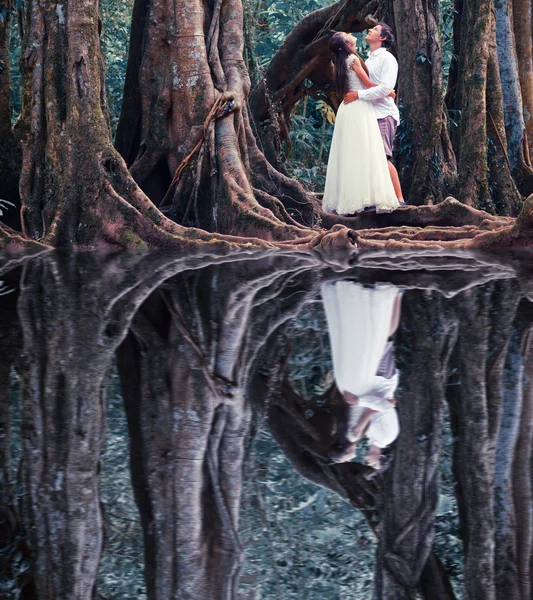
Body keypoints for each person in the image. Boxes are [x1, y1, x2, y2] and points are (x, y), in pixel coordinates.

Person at [320, 281, 403, 469]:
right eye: (373, 464)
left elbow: (381, 407)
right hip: (377, 384)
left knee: (381, 338)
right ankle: (395, 296)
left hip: (375, 384)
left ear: (347, 450)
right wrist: (363, 404)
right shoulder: (377, 436)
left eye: (348, 457)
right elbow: (382, 407)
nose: (367, 462)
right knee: (381, 338)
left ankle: (395, 295)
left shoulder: (358, 435)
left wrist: (360, 403)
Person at [322, 32, 400, 215]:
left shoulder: (339, 62)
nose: (351, 33)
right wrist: (387, 92)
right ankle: (370, 198)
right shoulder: (353, 60)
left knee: (353, 154)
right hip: (359, 107)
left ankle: (352, 199)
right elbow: (366, 84)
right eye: (347, 34)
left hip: (347, 109)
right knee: (367, 152)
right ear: (347, 43)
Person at [344, 23, 405, 206]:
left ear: (382, 38)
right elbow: (371, 84)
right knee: (371, 157)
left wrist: (358, 95)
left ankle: (400, 200)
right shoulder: (369, 60)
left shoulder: (387, 59)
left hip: (383, 114)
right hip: (370, 114)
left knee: (382, 157)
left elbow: (386, 87)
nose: (370, 30)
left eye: (375, 30)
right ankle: (376, 199)